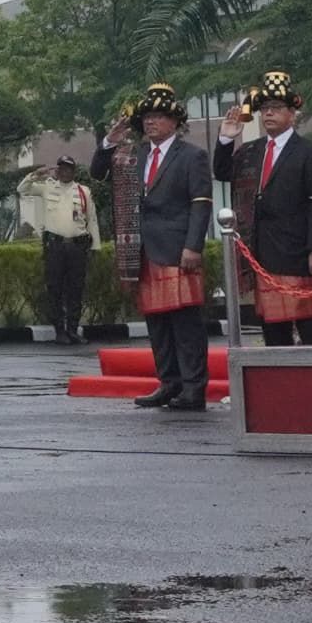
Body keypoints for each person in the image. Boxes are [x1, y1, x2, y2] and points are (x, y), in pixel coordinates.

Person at [121, 82, 215, 413]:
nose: (151, 122)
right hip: (145, 247)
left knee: (184, 321)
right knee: (156, 321)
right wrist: (109, 140)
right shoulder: (136, 154)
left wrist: (194, 246)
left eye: (159, 117)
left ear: (174, 121)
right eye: (147, 117)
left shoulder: (193, 155)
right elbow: (101, 171)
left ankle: (193, 387)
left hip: (178, 246)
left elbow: (201, 203)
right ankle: (169, 381)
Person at [226, 70, 312, 346]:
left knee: (307, 321)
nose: (268, 114)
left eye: (275, 108)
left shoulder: (308, 152)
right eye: (264, 109)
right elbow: (222, 171)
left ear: (292, 114)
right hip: (262, 249)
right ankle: (280, 383)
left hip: (297, 248)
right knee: (272, 325)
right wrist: (226, 140)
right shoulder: (250, 150)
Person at [18, 155, 98, 346]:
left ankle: (72, 330)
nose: (64, 172)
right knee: (55, 289)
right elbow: (21, 190)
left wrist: (95, 246)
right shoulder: (47, 187)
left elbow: (92, 220)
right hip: (55, 246)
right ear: (57, 170)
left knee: (75, 290)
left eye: (68, 168)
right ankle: (59, 331)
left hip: (77, 246)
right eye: (61, 168)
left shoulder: (83, 191)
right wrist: (35, 175)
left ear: (73, 171)